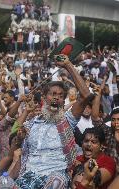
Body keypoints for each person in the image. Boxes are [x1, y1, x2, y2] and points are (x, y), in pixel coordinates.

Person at [15, 55, 91, 188]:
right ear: (44, 97)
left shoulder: (67, 120)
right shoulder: (31, 124)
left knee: (56, 183)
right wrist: (19, 138)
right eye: (53, 94)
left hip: (56, 177)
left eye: (61, 96)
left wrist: (68, 65)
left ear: (63, 101)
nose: (56, 98)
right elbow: (15, 139)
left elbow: (85, 95)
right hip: (29, 176)